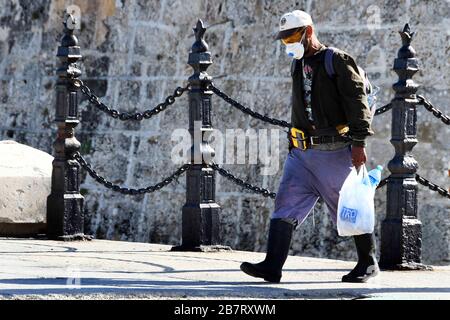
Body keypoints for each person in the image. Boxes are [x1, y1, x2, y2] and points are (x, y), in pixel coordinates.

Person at [240, 10, 379, 283]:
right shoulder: (296, 64)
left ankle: (367, 262)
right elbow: (300, 107)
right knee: (285, 204)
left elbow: (357, 105)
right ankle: (272, 265)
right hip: (302, 154)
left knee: (350, 207)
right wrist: (293, 144)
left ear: (309, 32)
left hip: (335, 152)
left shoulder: (336, 60)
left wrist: (359, 143)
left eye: (293, 36)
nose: (289, 42)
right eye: (284, 39)